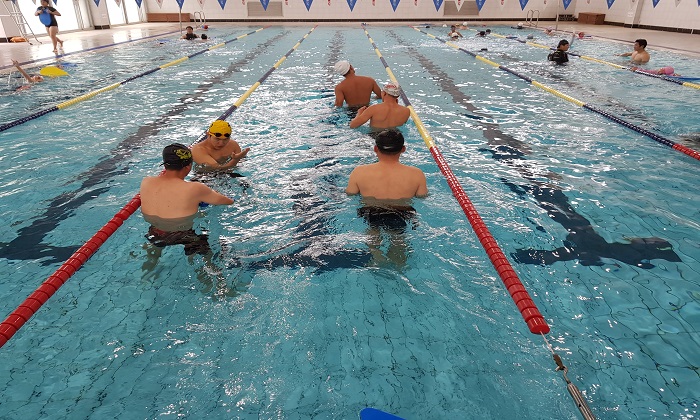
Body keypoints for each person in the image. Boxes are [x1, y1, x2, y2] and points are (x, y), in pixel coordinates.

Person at [346, 130, 428, 266]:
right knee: (398, 242)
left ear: (375, 149)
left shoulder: (359, 171)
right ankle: (398, 267)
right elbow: (422, 196)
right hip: (401, 213)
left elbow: (350, 193)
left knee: (373, 235)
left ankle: (375, 257)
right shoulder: (416, 174)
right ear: (403, 149)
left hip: (371, 211)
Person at [139, 143, 234, 257]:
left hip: (154, 234)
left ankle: (153, 260)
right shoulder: (195, 188)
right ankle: (209, 265)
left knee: (154, 255)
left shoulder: (146, 181)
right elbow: (228, 201)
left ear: (165, 164)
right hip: (182, 234)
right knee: (209, 253)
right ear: (188, 166)